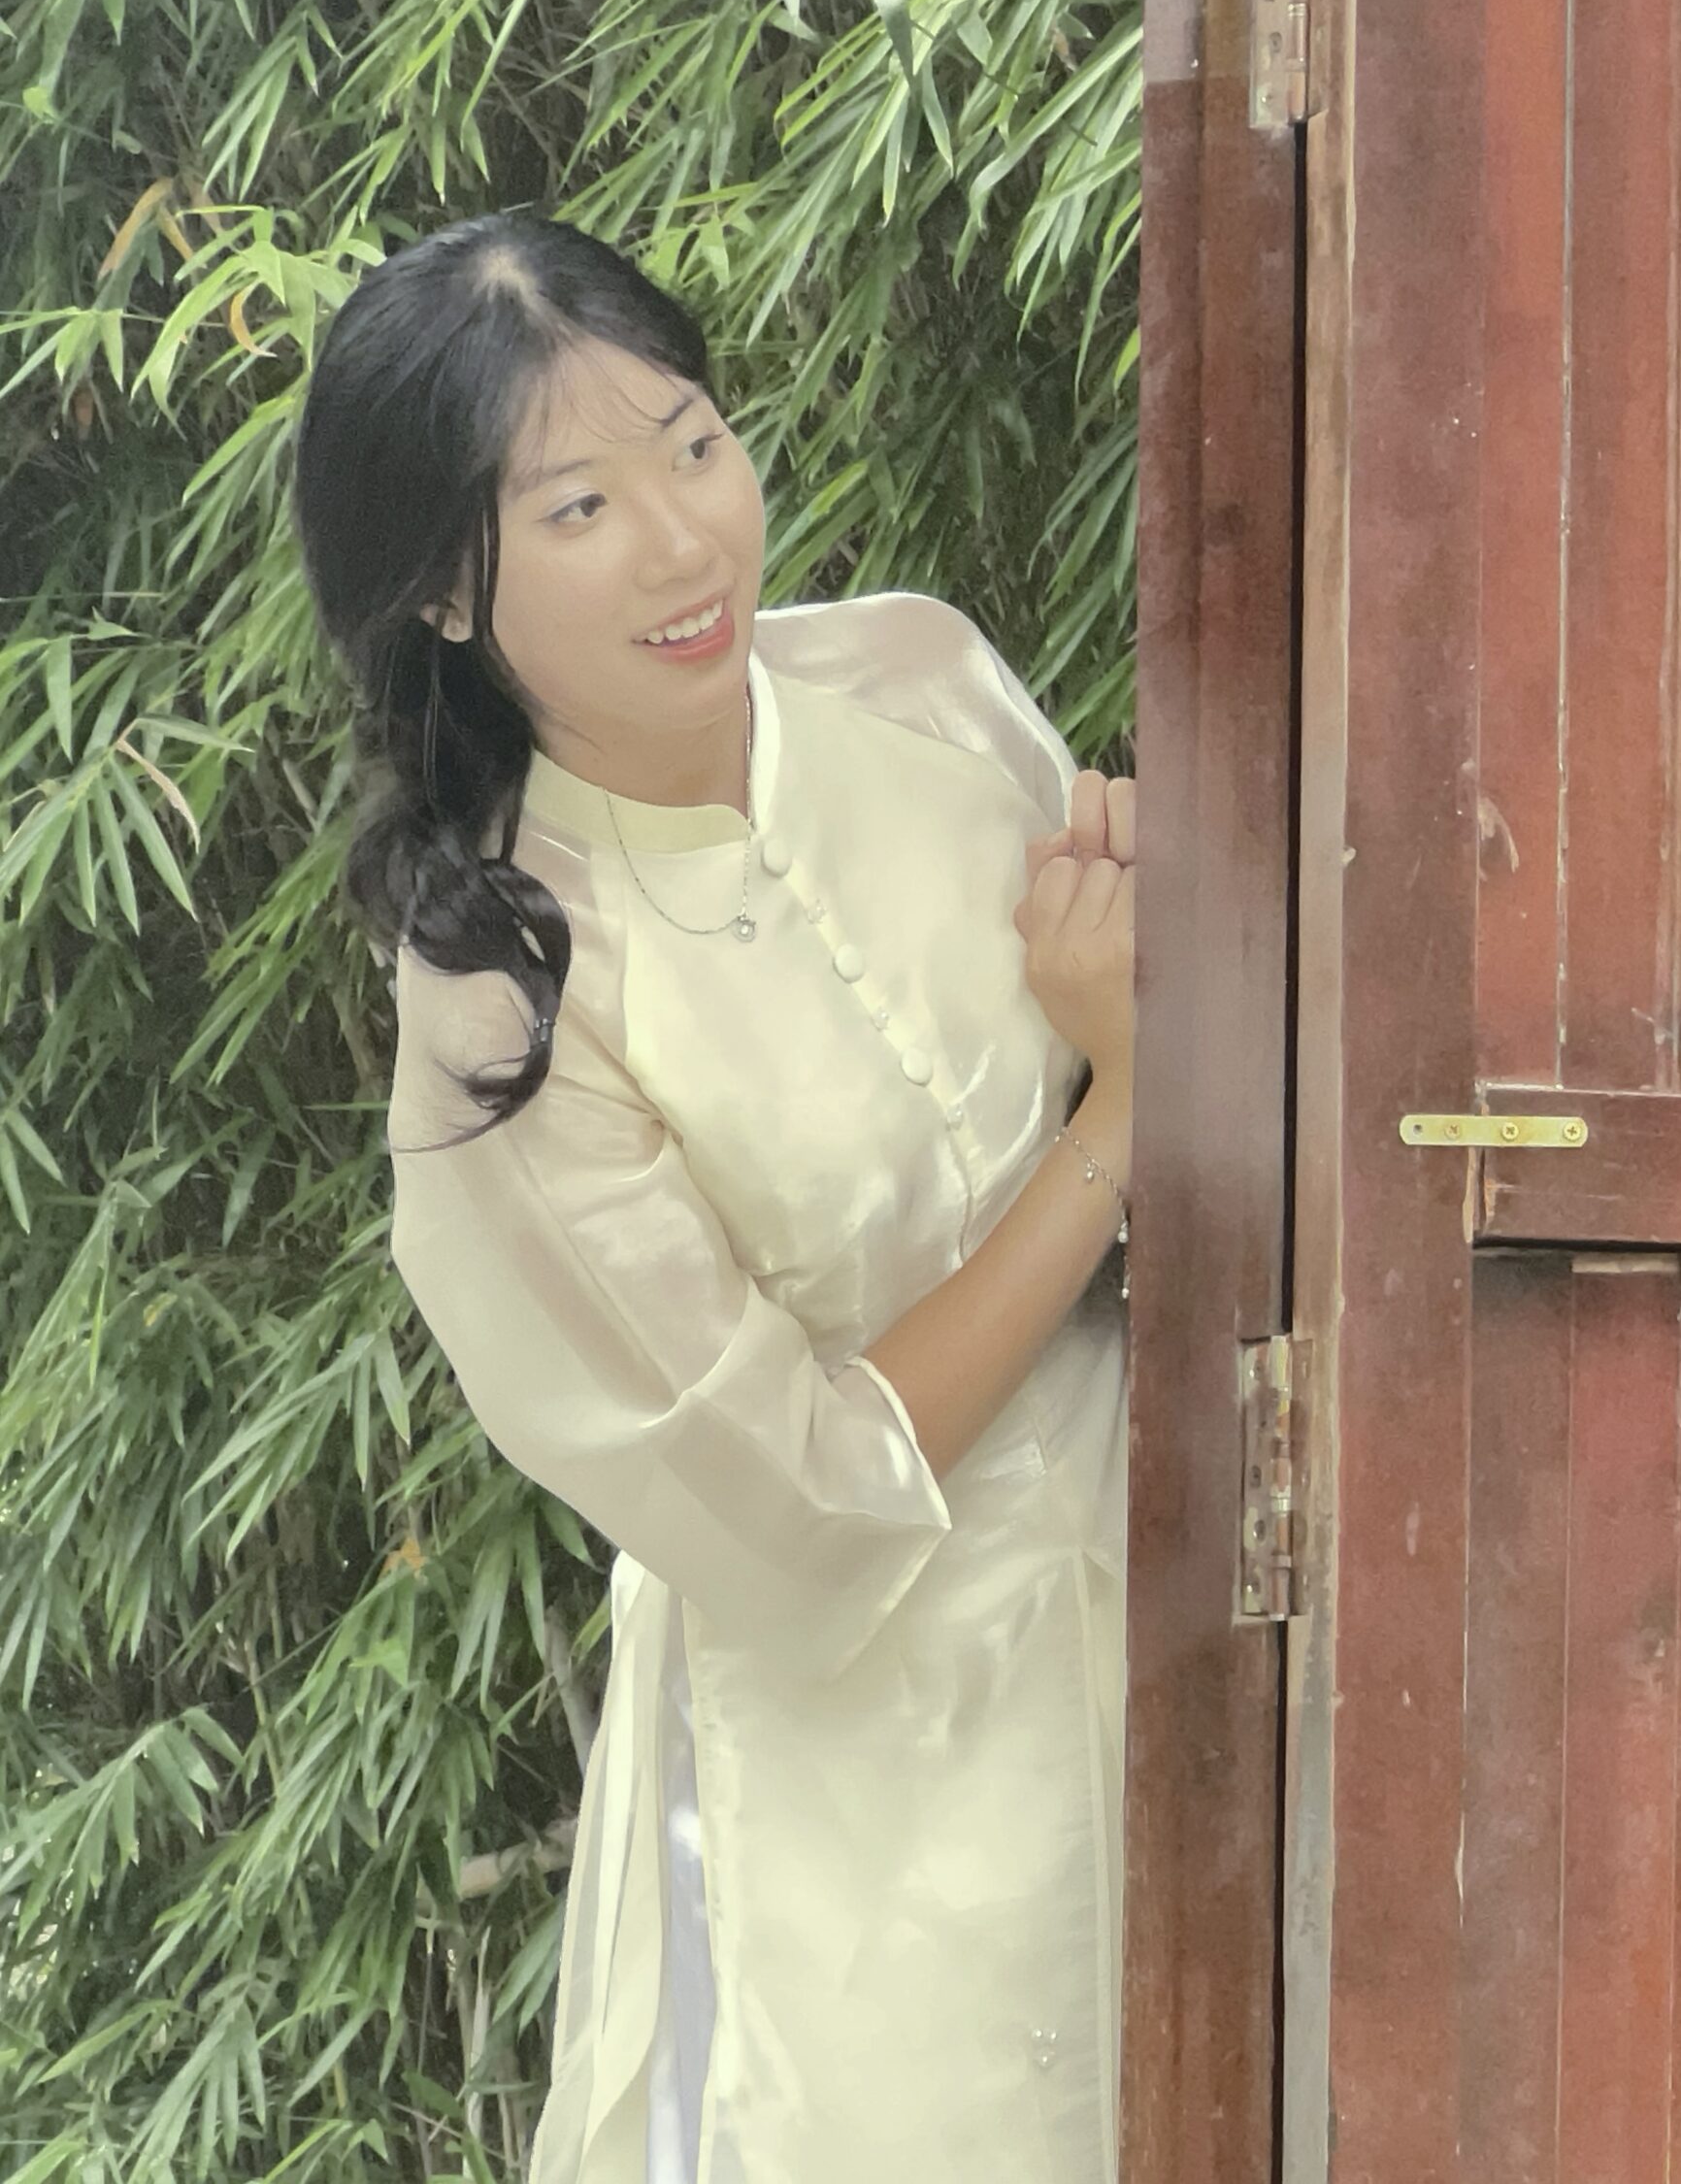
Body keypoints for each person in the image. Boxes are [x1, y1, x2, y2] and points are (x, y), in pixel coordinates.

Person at [290, 212, 1136, 2184]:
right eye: (580, 506)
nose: (687, 542)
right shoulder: (507, 1001)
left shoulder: (921, 681)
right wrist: (1127, 1111)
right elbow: (795, 1497)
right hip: (883, 1800)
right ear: (443, 586)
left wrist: (1164, 943)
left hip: (1189, 1627)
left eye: (694, 443)